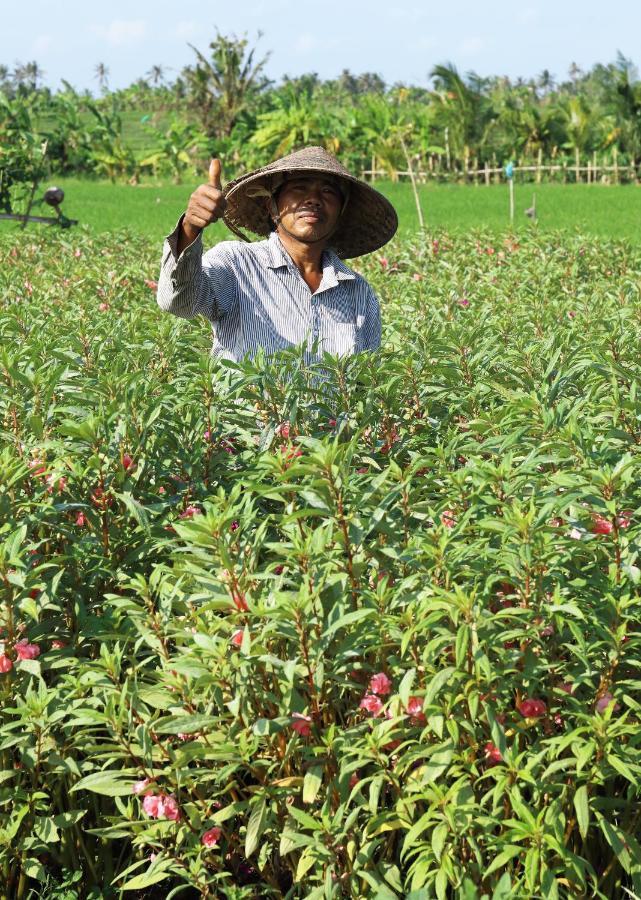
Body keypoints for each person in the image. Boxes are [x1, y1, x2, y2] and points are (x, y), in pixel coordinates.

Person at [157, 146, 398, 363]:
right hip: (253, 415)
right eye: (299, 187)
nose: (313, 199)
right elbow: (179, 302)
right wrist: (190, 228)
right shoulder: (237, 264)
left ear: (341, 214)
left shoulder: (358, 292)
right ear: (272, 207)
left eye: (328, 192)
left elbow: (365, 384)